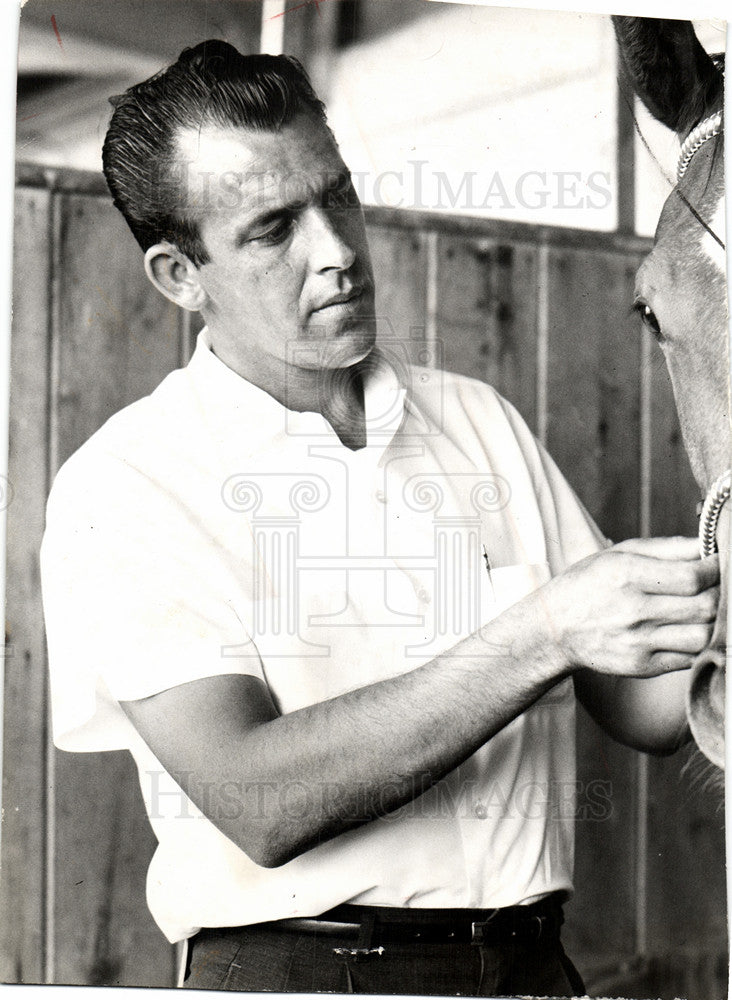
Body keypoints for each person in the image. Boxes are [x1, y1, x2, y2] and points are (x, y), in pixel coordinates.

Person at [40, 40, 718, 998]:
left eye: (339, 197)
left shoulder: (478, 420)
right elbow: (258, 799)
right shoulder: (128, 485)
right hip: (301, 976)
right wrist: (544, 631)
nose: (337, 253)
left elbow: (640, 704)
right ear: (177, 275)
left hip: (532, 966)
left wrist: (716, 613)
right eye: (274, 230)